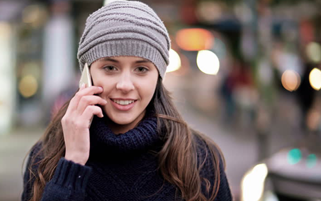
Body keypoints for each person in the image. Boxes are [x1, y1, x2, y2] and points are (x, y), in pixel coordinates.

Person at [22, 1, 232, 201]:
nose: (125, 85)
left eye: (141, 69)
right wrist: (72, 162)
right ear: (86, 73)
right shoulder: (46, 157)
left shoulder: (199, 159)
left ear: (158, 77)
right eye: (110, 68)